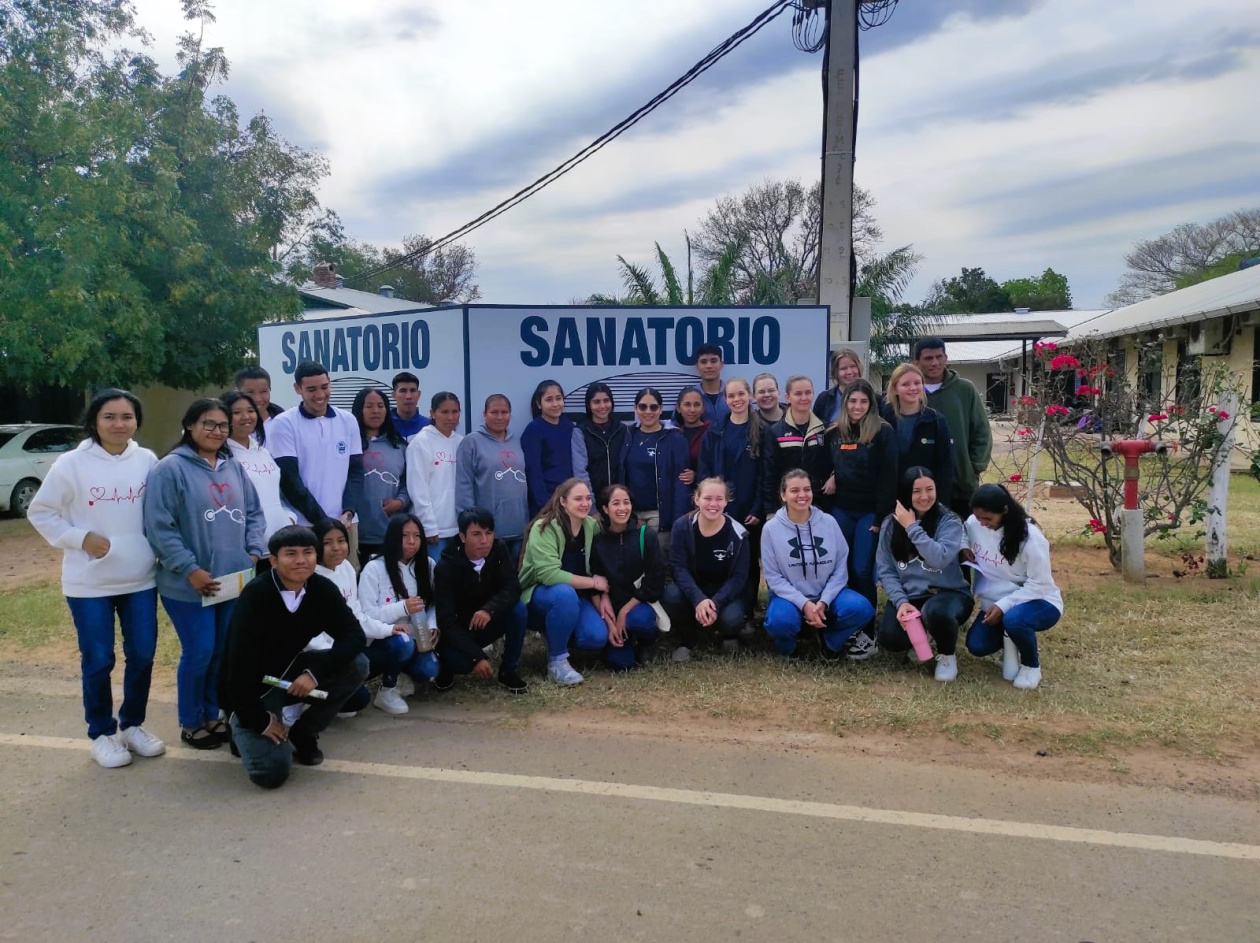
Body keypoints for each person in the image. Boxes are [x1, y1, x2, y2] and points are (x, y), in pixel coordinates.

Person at [28, 388, 165, 769]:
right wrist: (80, 538)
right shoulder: (71, 464)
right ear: (94, 421)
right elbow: (41, 512)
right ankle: (102, 733)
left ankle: (132, 725)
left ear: (137, 421)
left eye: (127, 417)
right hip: (89, 583)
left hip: (140, 578)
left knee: (142, 654)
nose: (119, 424)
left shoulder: (148, 460)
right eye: (110, 416)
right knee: (99, 658)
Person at [143, 398, 267, 749]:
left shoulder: (233, 467)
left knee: (222, 652)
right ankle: (191, 721)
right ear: (190, 425)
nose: (216, 431)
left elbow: (254, 513)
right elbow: (160, 527)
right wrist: (190, 569)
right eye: (208, 424)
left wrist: (252, 552)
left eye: (222, 425)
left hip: (233, 582)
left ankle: (213, 714)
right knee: (199, 651)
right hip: (189, 585)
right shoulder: (170, 469)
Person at [220, 525, 369, 788]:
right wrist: (259, 721)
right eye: (291, 554)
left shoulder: (321, 589)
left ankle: (304, 732)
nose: (301, 560)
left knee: (358, 664)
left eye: (308, 552)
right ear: (273, 560)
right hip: (253, 689)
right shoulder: (256, 595)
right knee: (271, 773)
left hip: (289, 676)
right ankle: (239, 725)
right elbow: (237, 669)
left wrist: (314, 673)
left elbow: (354, 636)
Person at [313, 518, 435, 715]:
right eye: (327, 542)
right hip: (322, 656)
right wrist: (402, 608)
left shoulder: (346, 568)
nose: (336, 548)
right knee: (352, 698)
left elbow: (357, 616)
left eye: (341, 541)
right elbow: (310, 633)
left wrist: (392, 629)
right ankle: (301, 702)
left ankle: (386, 686)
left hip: (348, 648)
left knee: (424, 667)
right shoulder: (311, 578)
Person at [761, 469, 875, 659]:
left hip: (827, 594)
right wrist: (804, 604)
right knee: (779, 621)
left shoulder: (828, 522)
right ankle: (789, 649)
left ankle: (830, 641)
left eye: (807, 489)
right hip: (789, 598)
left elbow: (840, 568)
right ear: (783, 495)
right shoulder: (771, 529)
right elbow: (773, 577)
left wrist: (824, 601)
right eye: (794, 490)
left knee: (861, 608)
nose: (802, 495)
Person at [821, 379, 897, 660]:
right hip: (840, 511)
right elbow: (825, 467)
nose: (857, 406)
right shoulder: (833, 432)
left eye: (863, 402)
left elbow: (889, 476)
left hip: (869, 513)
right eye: (852, 401)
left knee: (861, 570)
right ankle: (844, 625)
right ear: (845, 403)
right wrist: (831, 475)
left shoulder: (883, 432)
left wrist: (880, 516)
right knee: (838, 569)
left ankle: (867, 634)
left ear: (871, 404)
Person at [874, 466, 974, 682]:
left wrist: (911, 527)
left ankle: (947, 655)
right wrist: (901, 602)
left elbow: (939, 559)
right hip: (912, 597)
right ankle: (924, 634)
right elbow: (886, 569)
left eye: (930, 489)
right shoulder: (890, 523)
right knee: (890, 638)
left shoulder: (949, 520)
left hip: (949, 594)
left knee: (936, 612)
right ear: (905, 492)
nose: (924, 496)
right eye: (916, 491)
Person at [962, 484, 1063, 690]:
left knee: (1014, 619)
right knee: (977, 646)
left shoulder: (1030, 538)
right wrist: (963, 546)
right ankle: (1011, 640)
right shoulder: (975, 522)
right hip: (995, 599)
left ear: (1004, 511)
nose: (982, 523)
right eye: (978, 518)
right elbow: (964, 529)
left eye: (988, 518)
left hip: (1039, 600)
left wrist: (1004, 605)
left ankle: (1031, 665)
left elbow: (1040, 584)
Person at [517, 478, 608, 686]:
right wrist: (594, 583)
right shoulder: (543, 527)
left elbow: (598, 565)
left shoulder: (591, 526)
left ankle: (556, 633)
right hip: (539, 594)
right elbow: (550, 575)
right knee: (564, 593)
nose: (585, 503)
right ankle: (557, 661)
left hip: (576, 596)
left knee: (595, 637)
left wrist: (601, 595)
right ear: (563, 501)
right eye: (578, 499)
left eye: (588, 498)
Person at [433, 508, 529, 694]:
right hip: (459, 629)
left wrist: (489, 609)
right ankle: (445, 666)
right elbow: (445, 621)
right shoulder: (446, 567)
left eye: (489, 533)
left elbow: (513, 587)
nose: (484, 540)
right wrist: (476, 657)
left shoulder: (499, 549)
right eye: (476, 534)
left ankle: (508, 670)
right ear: (462, 536)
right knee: (460, 664)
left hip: (487, 619)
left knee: (518, 609)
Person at [267, 361, 365, 537]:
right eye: (311, 389)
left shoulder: (348, 420)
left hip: (346, 523)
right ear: (297, 388)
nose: (320, 395)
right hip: (304, 525)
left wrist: (349, 511)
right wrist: (323, 521)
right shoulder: (283, 423)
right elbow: (289, 481)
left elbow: (355, 472)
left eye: (324, 387)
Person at [357, 513, 441, 709]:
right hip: (380, 640)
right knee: (402, 642)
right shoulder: (374, 568)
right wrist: (402, 607)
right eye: (405, 535)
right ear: (393, 537)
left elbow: (433, 604)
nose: (412, 541)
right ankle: (387, 689)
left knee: (429, 670)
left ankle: (402, 674)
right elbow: (367, 614)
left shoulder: (428, 565)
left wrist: (432, 625)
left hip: (416, 637)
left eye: (417, 536)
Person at [663, 478, 751, 660]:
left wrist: (715, 603)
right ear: (697, 499)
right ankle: (687, 640)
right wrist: (699, 599)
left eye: (719, 499)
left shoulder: (739, 534)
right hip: (694, 588)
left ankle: (729, 635)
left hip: (723, 591)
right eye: (707, 498)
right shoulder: (682, 526)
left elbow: (739, 577)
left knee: (732, 618)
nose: (713, 504)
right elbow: (678, 567)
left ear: (726, 501)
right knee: (671, 595)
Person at [697, 378, 765, 609]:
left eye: (741, 394)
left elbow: (766, 474)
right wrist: (709, 503)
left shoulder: (761, 431)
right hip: (719, 508)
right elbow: (704, 469)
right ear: (725, 400)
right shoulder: (715, 431)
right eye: (731, 396)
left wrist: (758, 507)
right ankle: (722, 605)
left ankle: (747, 609)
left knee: (749, 560)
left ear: (750, 396)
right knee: (721, 557)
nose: (737, 400)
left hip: (749, 509)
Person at [590, 484, 665, 670]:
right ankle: (623, 640)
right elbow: (596, 578)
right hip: (611, 606)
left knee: (640, 621)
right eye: (616, 503)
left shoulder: (645, 535)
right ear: (605, 509)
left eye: (626, 502)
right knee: (620, 664)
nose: (622, 508)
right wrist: (611, 620)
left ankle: (647, 641)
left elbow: (655, 579)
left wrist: (624, 612)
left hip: (639, 603)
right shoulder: (598, 540)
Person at [916, 337, 992, 517]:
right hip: (919, 487)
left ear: (946, 358)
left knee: (961, 532)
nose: (935, 363)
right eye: (928, 358)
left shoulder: (965, 389)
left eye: (939, 357)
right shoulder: (910, 391)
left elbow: (981, 432)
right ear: (916, 362)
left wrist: (972, 469)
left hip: (960, 485)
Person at [456, 394, 528, 564]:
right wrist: (469, 525)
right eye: (494, 412)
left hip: (519, 530)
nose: (500, 417)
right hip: (487, 534)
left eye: (504, 412)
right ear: (484, 414)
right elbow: (464, 485)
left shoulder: (517, 441)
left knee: (515, 577)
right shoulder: (471, 442)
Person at [619, 387, 690, 553]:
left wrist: (677, 520)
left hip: (659, 515)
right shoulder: (627, 435)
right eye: (643, 407)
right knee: (634, 562)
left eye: (653, 407)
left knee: (657, 562)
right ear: (635, 408)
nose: (648, 412)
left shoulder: (675, 438)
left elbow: (681, 482)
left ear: (661, 409)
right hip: (631, 514)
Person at [222, 390, 292, 547]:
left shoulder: (263, 452)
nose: (246, 417)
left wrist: (289, 517)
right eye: (237, 412)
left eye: (250, 411)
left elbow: (277, 494)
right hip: (249, 546)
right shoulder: (223, 456)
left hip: (279, 543)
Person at [350, 386, 410, 568]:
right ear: (359, 409)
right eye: (369, 406)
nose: (375, 411)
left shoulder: (399, 446)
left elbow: (409, 482)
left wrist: (400, 502)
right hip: (355, 534)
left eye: (380, 406)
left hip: (390, 532)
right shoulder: (348, 444)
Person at [405, 391, 464, 562]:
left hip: (458, 529)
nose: (450, 417)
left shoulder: (461, 442)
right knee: (434, 574)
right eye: (444, 412)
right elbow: (417, 488)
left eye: (455, 412)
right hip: (434, 531)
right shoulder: (420, 443)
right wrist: (429, 526)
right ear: (432, 413)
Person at [886, 363, 955, 503]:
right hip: (891, 498)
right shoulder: (883, 418)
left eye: (917, 383)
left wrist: (940, 505)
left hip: (925, 499)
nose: (913, 388)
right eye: (905, 384)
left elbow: (945, 468)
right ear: (895, 389)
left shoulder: (936, 420)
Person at [760, 375, 829, 516]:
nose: (804, 398)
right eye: (798, 394)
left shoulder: (825, 429)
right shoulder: (775, 432)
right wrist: (770, 511)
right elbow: (769, 476)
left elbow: (834, 463)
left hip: (819, 505)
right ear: (787, 397)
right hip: (785, 507)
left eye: (808, 392)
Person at [521, 379, 584, 517]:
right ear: (539, 404)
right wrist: (546, 506)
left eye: (558, 398)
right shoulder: (534, 430)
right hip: (546, 504)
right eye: (549, 400)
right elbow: (533, 472)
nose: (555, 404)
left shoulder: (569, 427)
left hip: (569, 500)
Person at [574, 381, 627, 502]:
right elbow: (580, 472)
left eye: (606, 400)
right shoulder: (580, 431)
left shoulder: (622, 429)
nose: (602, 406)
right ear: (588, 405)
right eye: (596, 402)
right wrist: (591, 504)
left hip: (619, 502)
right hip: (593, 502)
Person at [813, 348, 895, 426]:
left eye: (853, 366)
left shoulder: (876, 400)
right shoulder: (824, 399)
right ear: (835, 372)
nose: (849, 372)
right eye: (843, 368)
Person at [673, 386, 710, 482]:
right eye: (687, 405)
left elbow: (717, 466)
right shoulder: (673, 433)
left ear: (703, 408)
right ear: (678, 408)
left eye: (697, 405)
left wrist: (697, 475)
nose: (692, 410)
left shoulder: (711, 433)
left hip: (705, 487)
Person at [693, 343, 730, 424]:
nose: (709, 366)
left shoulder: (733, 393)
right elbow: (676, 426)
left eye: (713, 361)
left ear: (721, 365)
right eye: (703, 362)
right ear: (697, 366)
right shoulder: (690, 396)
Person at [390, 371, 430, 440]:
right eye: (403, 391)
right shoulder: (383, 425)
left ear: (419, 394)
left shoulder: (429, 426)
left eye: (413, 390)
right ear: (394, 395)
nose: (408, 396)